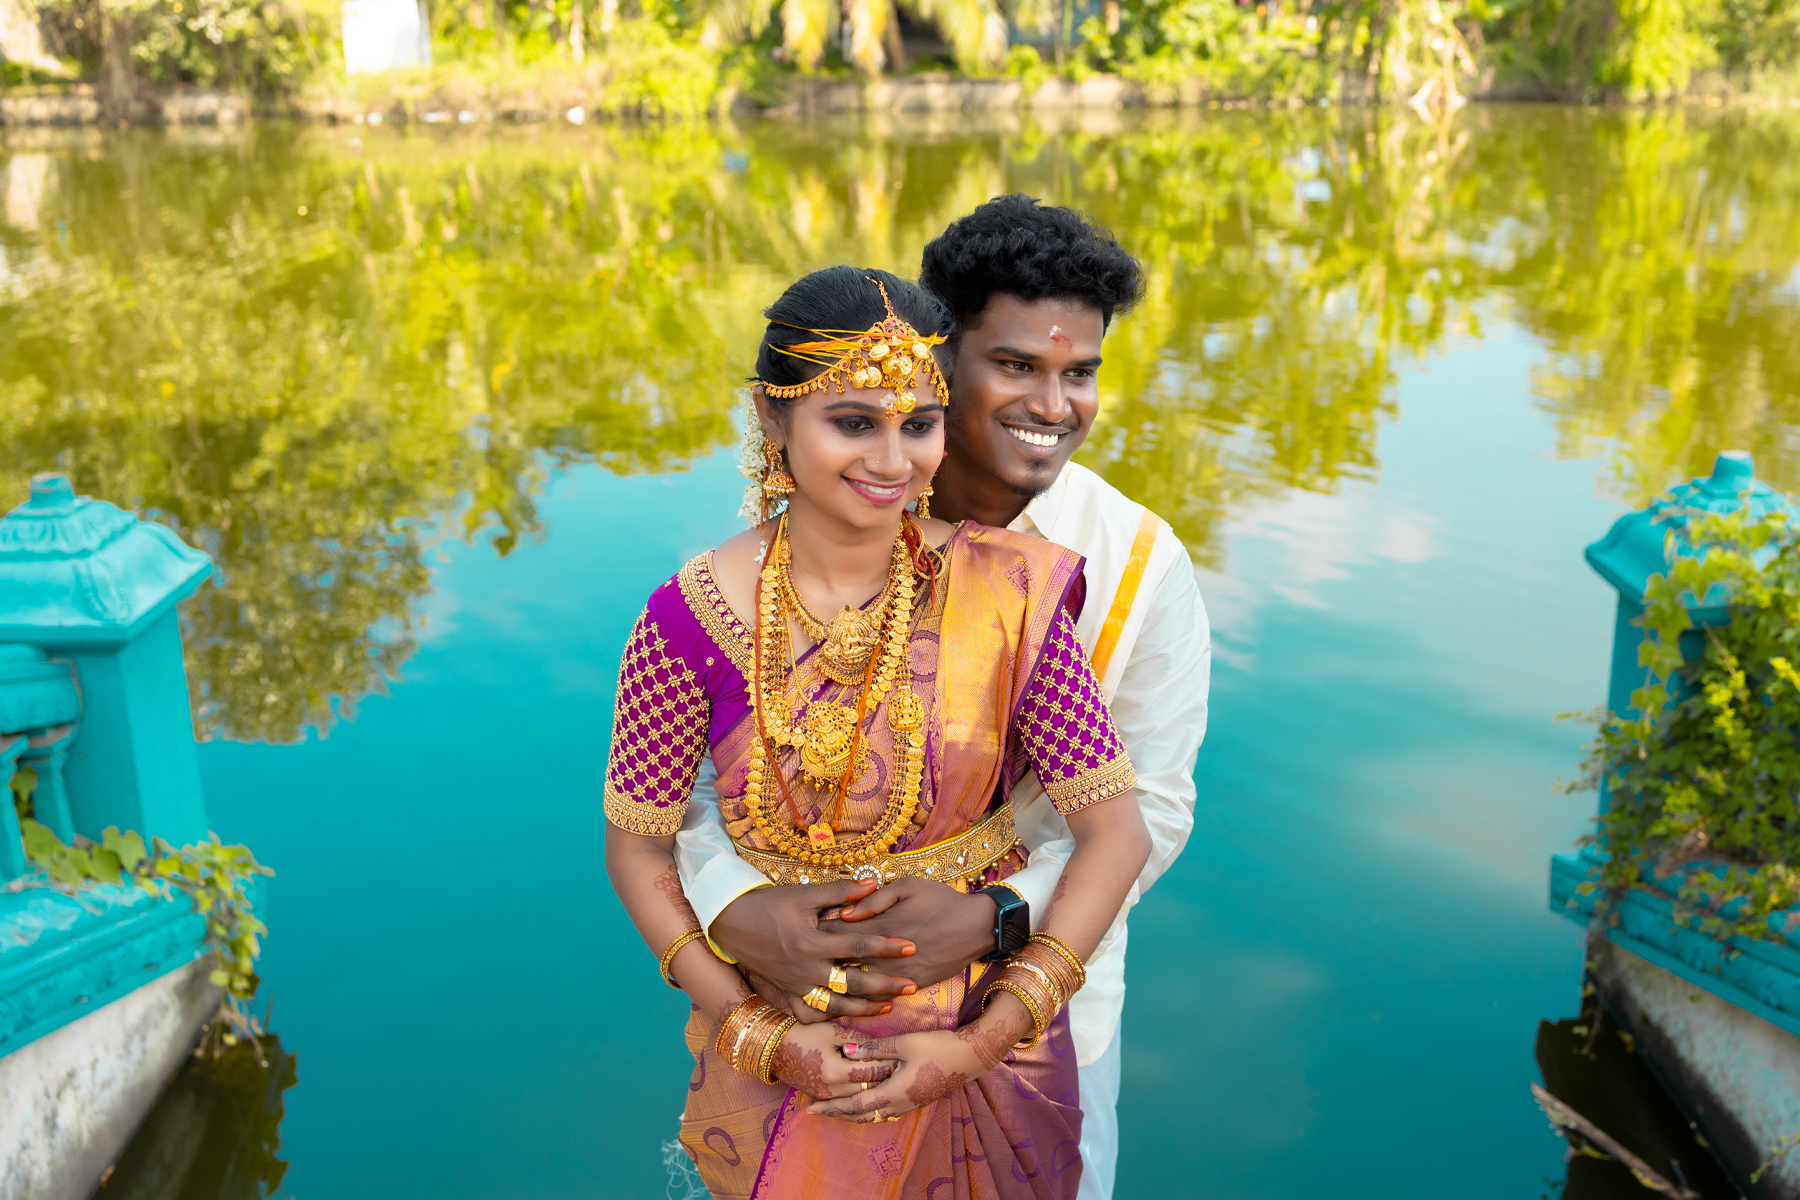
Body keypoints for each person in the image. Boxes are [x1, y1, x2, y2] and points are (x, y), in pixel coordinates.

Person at [676, 196, 1212, 1200]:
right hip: (804, 1014)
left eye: (1079, 372)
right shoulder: (805, 531)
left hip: (1040, 1022)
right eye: (1015, 365)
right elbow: (696, 785)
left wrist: (995, 919)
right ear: (941, 354)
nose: (1052, 406)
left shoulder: (1136, 562)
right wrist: (741, 914)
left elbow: (1158, 811)